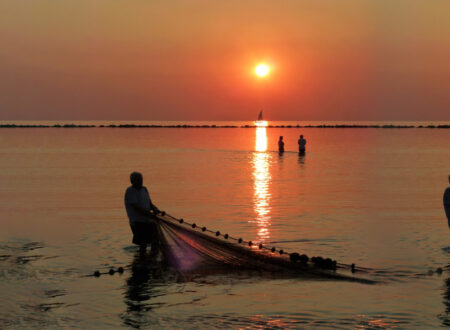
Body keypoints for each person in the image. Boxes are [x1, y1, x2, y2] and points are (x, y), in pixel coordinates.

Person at [124, 172, 161, 255]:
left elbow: (150, 203)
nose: (140, 181)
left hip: (147, 220)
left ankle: (152, 257)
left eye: (141, 179)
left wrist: (155, 209)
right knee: (143, 243)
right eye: (138, 180)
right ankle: (142, 259)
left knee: (155, 239)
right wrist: (149, 214)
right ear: (132, 181)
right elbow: (136, 207)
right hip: (137, 222)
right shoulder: (130, 191)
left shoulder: (144, 189)